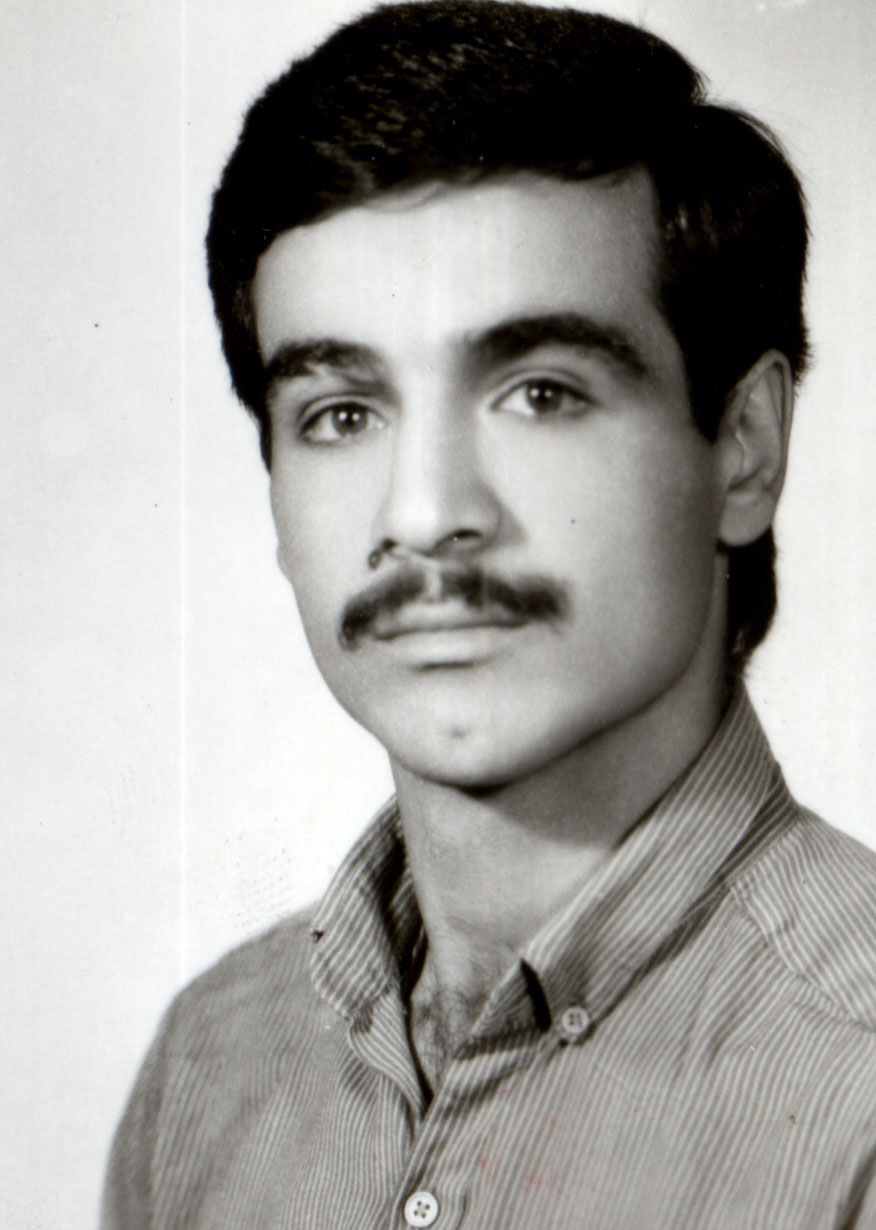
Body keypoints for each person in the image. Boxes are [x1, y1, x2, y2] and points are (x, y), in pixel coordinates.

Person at [103, 3, 876, 1226]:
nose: (422, 515)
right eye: (341, 413)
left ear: (744, 447)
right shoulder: (208, 1065)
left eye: (540, 393)